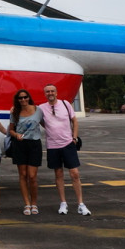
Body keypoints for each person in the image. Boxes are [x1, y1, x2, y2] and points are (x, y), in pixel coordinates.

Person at [39, 84, 91, 216]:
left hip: (67, 143)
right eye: (47, 91)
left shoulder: (65, 104)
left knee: (75, 173)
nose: (50, 93)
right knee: (58, 174)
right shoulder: (41, 108)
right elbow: (39, 120)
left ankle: (81, 204)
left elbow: (74, 121)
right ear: (44, 94)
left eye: (52, 91)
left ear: (56, 92)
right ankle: (63, 203)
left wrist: (74, 137)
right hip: (52, 145)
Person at [8, 89, 43, 216]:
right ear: (17, 100)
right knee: (23, 175)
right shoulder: (15, 112)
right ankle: (27, 204)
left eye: (25, 97)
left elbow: (45, 123)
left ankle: (34, 203)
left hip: (34, 144)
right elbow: (10, 130)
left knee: (32, 176)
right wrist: (16, 134)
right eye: (20, 98)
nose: (23, 100)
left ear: (29, 98)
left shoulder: (38, 110)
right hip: (20, 144)